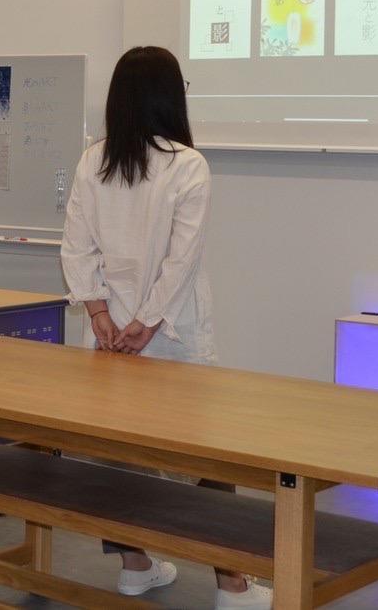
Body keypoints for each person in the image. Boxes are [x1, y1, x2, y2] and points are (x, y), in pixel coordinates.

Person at [61, 45, 272, 609]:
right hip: (170, 332)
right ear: (172, 96)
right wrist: (147, 322)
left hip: (109, 335)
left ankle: (135, 566)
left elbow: (77, 247)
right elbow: (183, 258)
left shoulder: (93, 160)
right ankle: (232, 584)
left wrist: (102, 316)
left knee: (117, 456)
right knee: (203, 456)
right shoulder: (187, 163)